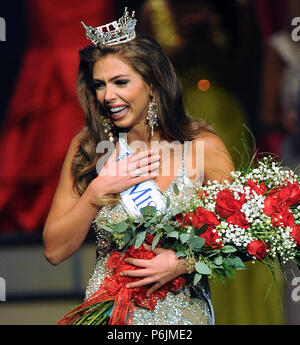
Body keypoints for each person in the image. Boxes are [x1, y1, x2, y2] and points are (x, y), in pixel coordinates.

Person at [43, 8, 234, 325]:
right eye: (100, 85)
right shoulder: (89, 150)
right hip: (110, 316)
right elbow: (54, 251)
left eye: (120, 82)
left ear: (153, 84)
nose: (108, 96)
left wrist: (182, 263)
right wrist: (99, 189)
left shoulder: (203, 147)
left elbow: (241, 233)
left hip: (184, 317)